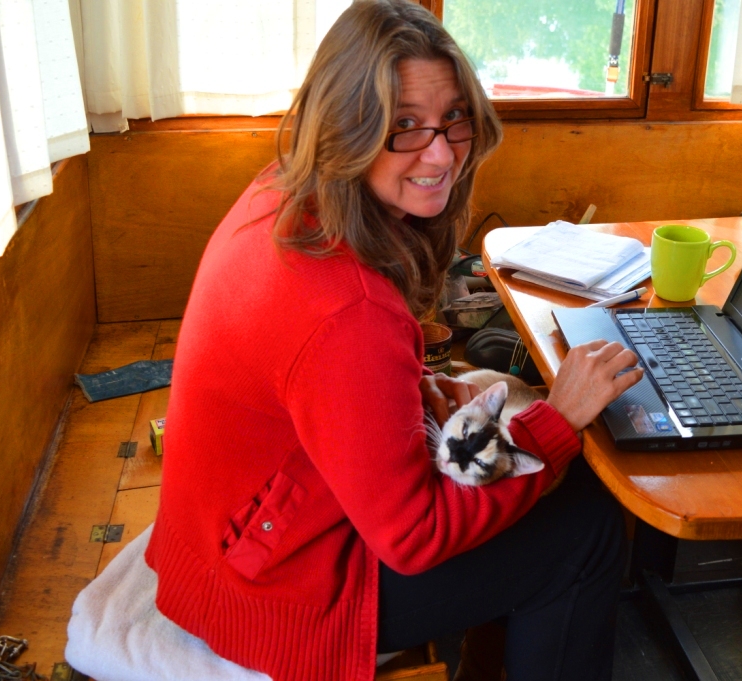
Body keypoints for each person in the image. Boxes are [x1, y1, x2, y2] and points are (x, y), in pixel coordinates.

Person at [144, 1, 644, 680]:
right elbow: (415, 535)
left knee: (530, 477)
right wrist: (555, 421)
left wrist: (404, 394)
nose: (440, 153)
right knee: (584, 525)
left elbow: (319, 386)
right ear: (346, 128)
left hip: (226, 546)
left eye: (453, 120)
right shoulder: (349, 307)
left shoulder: (282, 194)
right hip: (276, 593)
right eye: (402, 126)